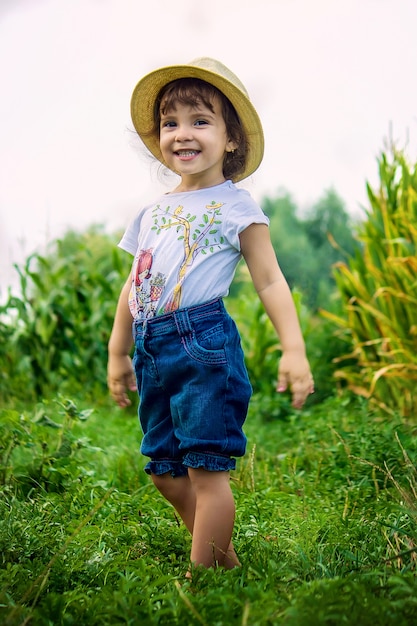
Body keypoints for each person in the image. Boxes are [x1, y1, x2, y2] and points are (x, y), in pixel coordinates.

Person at [107, 57, 314, 575]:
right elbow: (135, 284)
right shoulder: (152, 212)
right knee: (164, 471)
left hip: (203, 345)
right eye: (171, 123)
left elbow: (269, 279)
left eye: (200, 121)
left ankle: (203, 581)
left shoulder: (236, 206)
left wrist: (293, 348)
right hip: (153, 347)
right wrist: (118, 351)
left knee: (206, 471)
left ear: (231, 140)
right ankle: (225, 565)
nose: (182, 134)